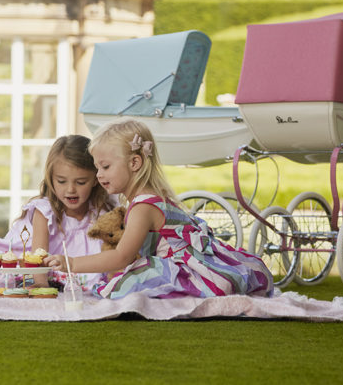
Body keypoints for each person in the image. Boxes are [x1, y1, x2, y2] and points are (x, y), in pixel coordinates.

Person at [44, 118, 273, 299]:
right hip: (188, 262)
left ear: (134, 163)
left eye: (105, 167)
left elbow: (121, 256)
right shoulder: (150, 197)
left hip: (189, 270)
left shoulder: (143, 207)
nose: (99, 175)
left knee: (125, 284)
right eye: (97, 168)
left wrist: (71, 263)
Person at [0, 135, 115, 292]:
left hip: (72, 271)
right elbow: (38, 254)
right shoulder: (45, 210)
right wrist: (41, 283)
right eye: (61, 181)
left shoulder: (101, 213)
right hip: (34, 265)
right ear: (51, 178)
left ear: (95, 179)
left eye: (80, 182)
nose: (70, 189)